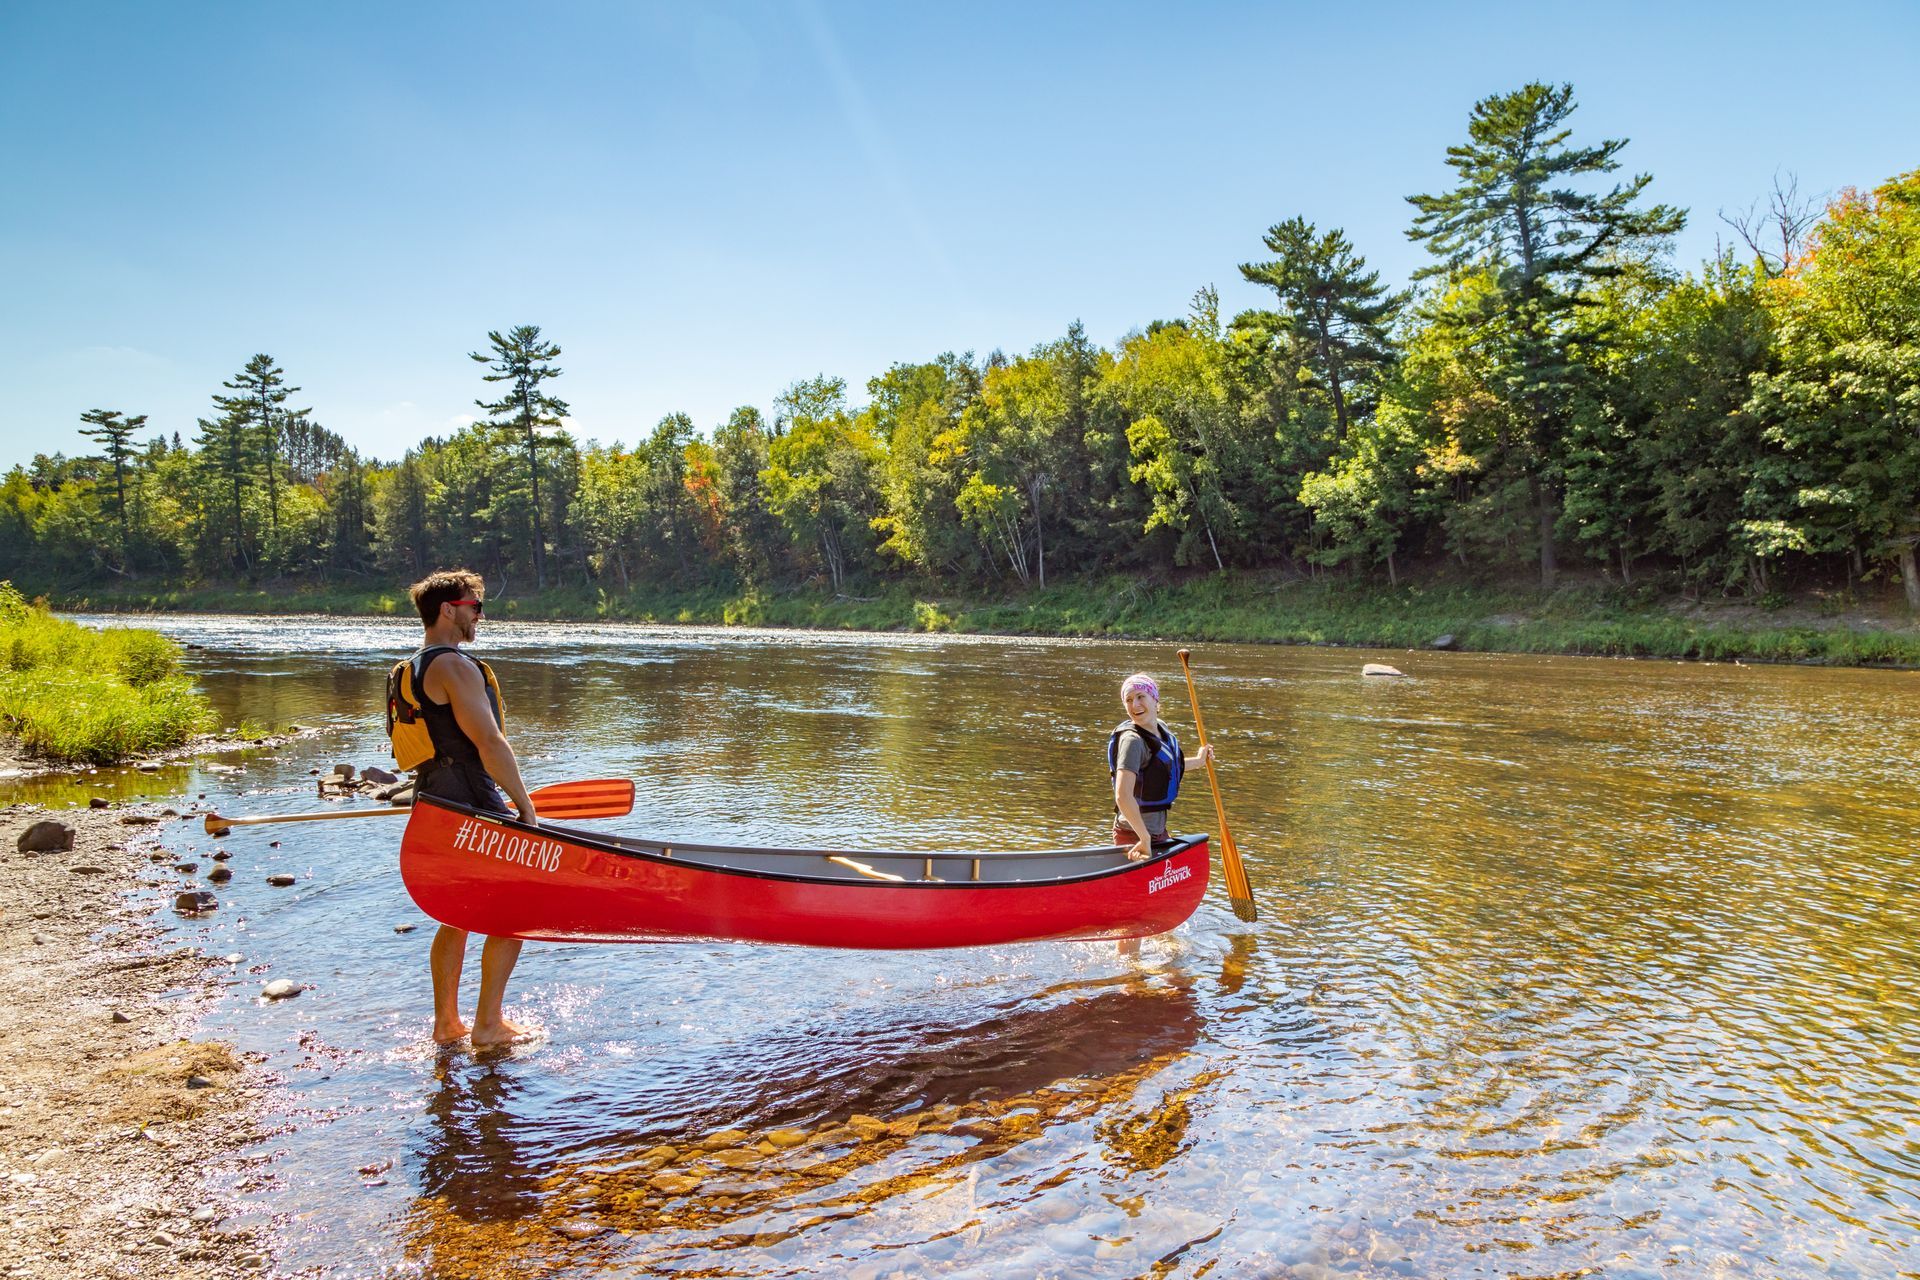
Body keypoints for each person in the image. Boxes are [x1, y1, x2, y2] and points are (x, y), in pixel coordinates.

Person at [404, 569, 539, 1047]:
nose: (480, 616)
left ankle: (446, 1025)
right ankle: (488, 1026)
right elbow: (489, 742)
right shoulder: (455, 667)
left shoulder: (414, 666)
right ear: (449, 609)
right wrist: (524, 808)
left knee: (457, 913)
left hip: (435, 800)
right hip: (472, 805)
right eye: (475, 606)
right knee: (513, 912)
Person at [1108, 672, 1212, 861]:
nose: (1135, 705)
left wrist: (1199, 761)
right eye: (1129, 700)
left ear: (1155, 700)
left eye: (1141, 697)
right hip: (1134, 836)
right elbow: (1123, 796)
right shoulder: (1132, 741)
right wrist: (1144, 838)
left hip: (1155, 833)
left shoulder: (1160, 730)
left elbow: (1164, 768)